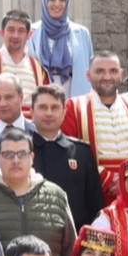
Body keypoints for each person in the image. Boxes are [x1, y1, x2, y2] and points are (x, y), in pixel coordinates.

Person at [61, 51, 128, 199]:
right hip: (93, 193)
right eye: (100, 71)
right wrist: (107, 179)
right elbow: (68, 151)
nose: (107, 77)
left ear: (121, 74)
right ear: (88, 74)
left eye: (113, 71)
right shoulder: (72, 108)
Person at [0, 127, 75, 256]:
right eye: (8, 154)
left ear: (32, 158)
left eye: (22, 154)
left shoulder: (56, 195)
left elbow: (71, 251)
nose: (16, 160)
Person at [29, 84, 106, 231]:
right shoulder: (22, 150)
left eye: (55, 108)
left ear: (64, 113)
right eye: (43, 107)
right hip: (32, 233)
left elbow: (95, 204)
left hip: (75, 235)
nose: (49, 113)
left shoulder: (81, 152)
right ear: (31, 112)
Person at [28, 0, 95, 97]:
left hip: (75, 93)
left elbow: (91, 67)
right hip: (41, 94)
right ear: (45, 1)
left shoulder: (82, 33)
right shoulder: (31, 32)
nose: (57, 4)